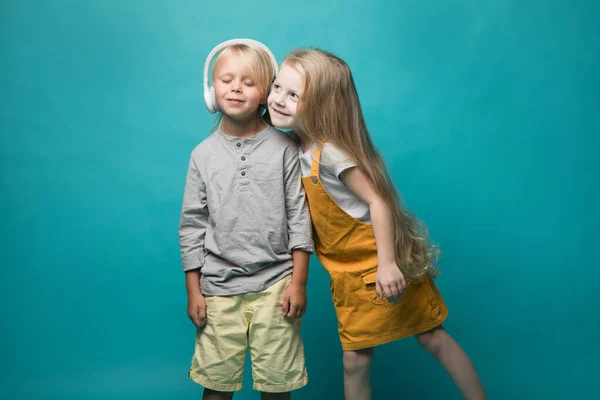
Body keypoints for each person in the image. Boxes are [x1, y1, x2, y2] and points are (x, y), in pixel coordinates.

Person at [267, 48, 486, 400]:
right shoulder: (294, 146)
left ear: (322, 104)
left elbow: (378, 200)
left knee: (432, 336)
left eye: (293, 95)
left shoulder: (331, 153)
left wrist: (387, 264)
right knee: (354, 359)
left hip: (381, 258)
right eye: (276, 87)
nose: (278, 99)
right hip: (346, 273)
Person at [179, 39, 314, 400]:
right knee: (217, 388)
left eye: (248, 82)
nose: (235, 87)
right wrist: (194, 290)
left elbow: (300, 218)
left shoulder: (285, 149)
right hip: (218, 289)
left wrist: (298, 281)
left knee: (276, 386)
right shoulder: (202, 156)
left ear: (265, 94)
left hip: (277, 285)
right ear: (212, 91)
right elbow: (192, 226)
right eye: (226, 79)